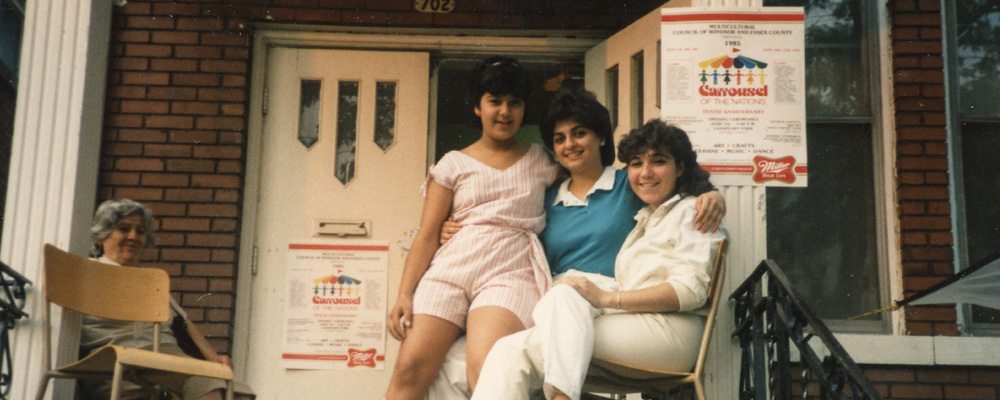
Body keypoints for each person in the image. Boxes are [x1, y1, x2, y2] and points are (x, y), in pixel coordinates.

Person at [428, 88, 725, 399]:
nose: (569, 144)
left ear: (600, 137)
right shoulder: (543, 199)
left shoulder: (629, 186)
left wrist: (710, 195)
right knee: (456, 362)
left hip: (608, 304)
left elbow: (674, 195)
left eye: (579, 133)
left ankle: (562, 395)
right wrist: (453, 230)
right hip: (554, 303)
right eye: (559, 138)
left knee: (544, 318)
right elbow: (503, 226)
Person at [383, 56, 561, 400]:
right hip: (450, 269)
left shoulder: (543, 160)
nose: (505, 112)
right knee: (409, 369)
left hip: (509, 272)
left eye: (515, 103)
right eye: (495, 101)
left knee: (488, 370)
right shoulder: (453, 163)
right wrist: (404, 294)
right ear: (478, 107)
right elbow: (428, 233)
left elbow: (589, 182)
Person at [79, 198, 254, 400]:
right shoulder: (88, 273)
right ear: (101, 237)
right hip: (120, 365)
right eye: (124, 228)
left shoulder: (151, 280)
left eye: (140, 231)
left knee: (234, 393)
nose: (133, 236)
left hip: (170, 363)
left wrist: (212, 357)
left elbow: (183, 322)